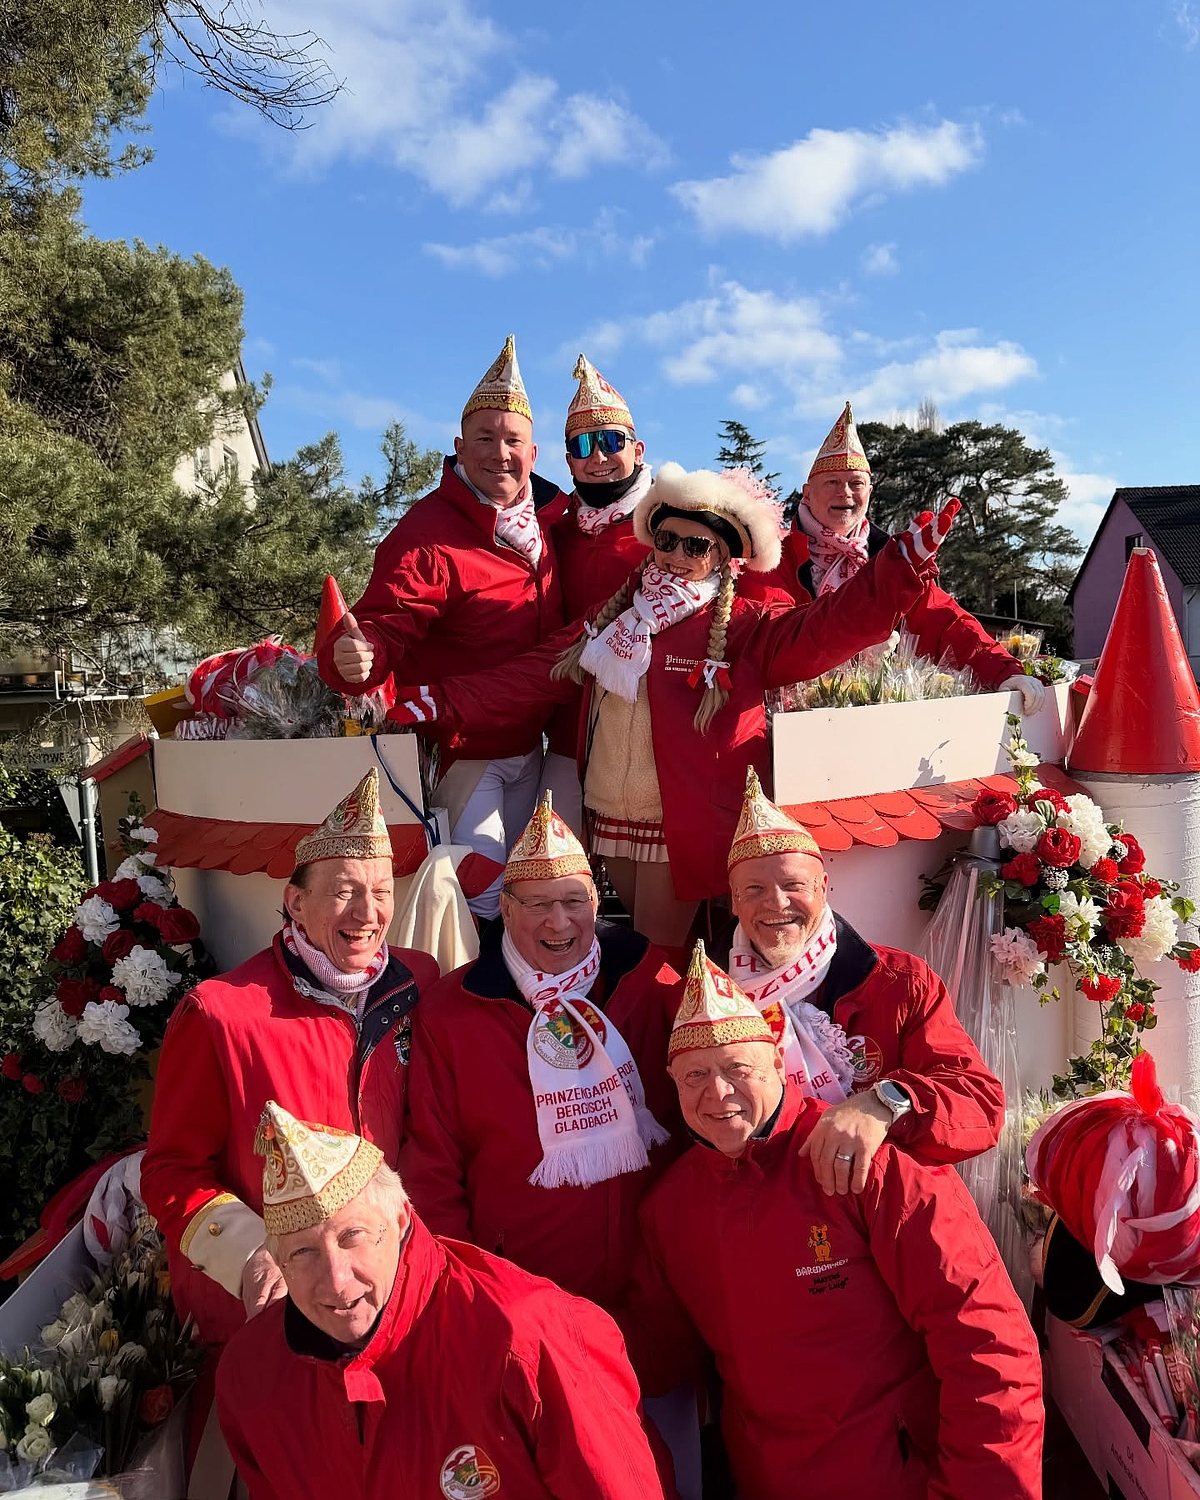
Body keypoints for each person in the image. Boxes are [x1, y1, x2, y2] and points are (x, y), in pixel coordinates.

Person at [387, 464, 958, 951]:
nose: (676, 555)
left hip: (679, 824)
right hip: (611, 816)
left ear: (725, 558)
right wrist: (432, 701)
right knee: (641, 945)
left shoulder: (743, 627)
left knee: (657, 955)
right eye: (666, 540)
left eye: (695, 545)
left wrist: (898, 566)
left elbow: (828, 628)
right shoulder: (616, 621)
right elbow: (533, 674)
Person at [620, 943, 1044, 1500]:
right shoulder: (671, 1207)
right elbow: (661, 1346)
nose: (717, 1093)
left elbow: (991, 1346)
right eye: (694, 1074)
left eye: (736, 1068)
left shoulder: (869, 1162)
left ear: (778, 1062)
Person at [218, 1101, 669, 1500]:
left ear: (400, 1217)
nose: (336, 1280)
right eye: (303, 1252)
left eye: (353, 1237)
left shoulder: (526, 1336)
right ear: (275, 1260)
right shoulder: (252, 1374)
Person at [141, 768, 441, 1345]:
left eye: (381, 891)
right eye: (345, 890)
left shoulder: (416, 982)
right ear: (296, 903)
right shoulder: (220, 1015)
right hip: (280, 1310)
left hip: (397, 1286)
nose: (367, 912)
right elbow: (171, 1172)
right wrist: (250, 1252)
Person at [316, 336, 566, 921]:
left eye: (512, 441)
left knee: (531, 891)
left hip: (533, 746)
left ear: (535, 453)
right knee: (479, 897)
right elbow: (382, 623)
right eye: (484, 439)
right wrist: (357, 655)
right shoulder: (430, 530)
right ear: (458, 447)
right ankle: (473, 1006)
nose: (499, 453)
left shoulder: (551, 523)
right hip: (464, 750)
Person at [401, 789, 679, 1311]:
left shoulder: (647, 977)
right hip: (523, 1298)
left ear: (596, 904)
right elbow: (433, 1173)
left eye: (574, 902)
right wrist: (463, 1295)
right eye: (537, 904)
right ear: (505, 910)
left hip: (652, 1288)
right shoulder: (451, 1013)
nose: (559, 922)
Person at [709, 768, 1003, 1194]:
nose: (776, 904)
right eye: (753, 889)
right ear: (733, 901)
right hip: (758, 1206)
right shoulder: (700, 993)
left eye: (794, 886)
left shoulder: (901, 982)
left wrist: (886, 1102)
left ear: (824, 888)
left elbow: (981, 1106)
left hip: (874, 1208)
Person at [746, 402, 1046, 713]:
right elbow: (772, 643)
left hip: (877, 721)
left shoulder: (889, 557)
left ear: (870, 493)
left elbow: (945, 622)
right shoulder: (771, 557)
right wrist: (859, 642)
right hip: (787, 729)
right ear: (807, 494)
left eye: (856, 484)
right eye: (832, 482)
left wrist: (1003, 671)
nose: (845, 493)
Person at [541, 354, 652, 834]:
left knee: (637, 872)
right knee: (558, 854)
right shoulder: (553, 531)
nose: (599, 457)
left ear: (638, 449)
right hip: (566, 724)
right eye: (583, 445)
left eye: (611, 441)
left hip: (644, 725)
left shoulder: (671, 523)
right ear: (567, 459)